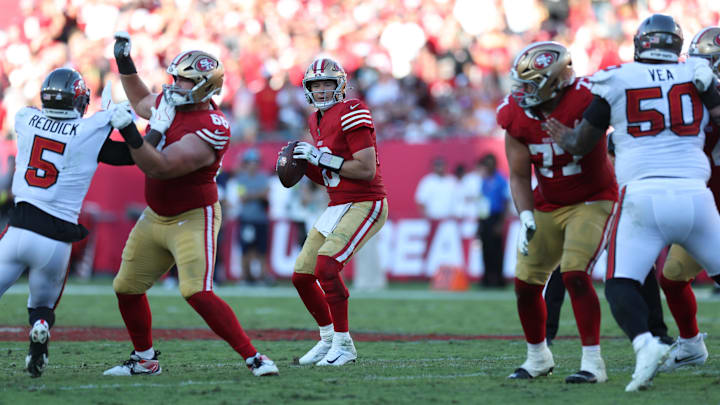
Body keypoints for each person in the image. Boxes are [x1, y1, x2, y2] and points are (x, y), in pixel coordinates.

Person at [543, 14, 720, 391]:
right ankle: (684, 344)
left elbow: (582, 143)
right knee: (674, 277)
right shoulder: (696, 73)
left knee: (621, 284)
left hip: (643, 197)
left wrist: (564, 135)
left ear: (641, 44)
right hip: (697, 195)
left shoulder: (617, 76)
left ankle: (646, 343)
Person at [102, 32, 278, 377]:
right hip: (156, 216)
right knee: (126, 287)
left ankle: (254, 357)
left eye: (184, 80)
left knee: (196, 291)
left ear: (203, 87)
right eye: (175, 77)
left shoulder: (212, 125)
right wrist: (124, 61)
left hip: (193, 217)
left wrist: (134, 134)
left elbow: (159, 166)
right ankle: (144, 359)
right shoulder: (170, 105)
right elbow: (139, 100)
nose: (175, 85)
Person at [0, 68, 136, 377]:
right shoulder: (91, 131)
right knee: (42, 306)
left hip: (17, 229)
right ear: (78, 100)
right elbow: (132, 155)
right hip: (54, 239)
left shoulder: (24, 118)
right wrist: (120, 123)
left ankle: (39, 340)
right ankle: (41, 328)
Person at [499, 41, 618, 384]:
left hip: (593, 199)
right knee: (525, 284)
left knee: (575, 273)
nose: (522, 92)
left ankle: (593, 362)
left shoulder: (588, 97)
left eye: (531, 83)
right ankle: (538, 357)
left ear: (555, 81)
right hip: (548, 201)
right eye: (519, 83)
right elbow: (519, 173)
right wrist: (525, 215)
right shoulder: (514, 113)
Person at [289, 57, 388, 366]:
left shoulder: (352, 110)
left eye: (326, 84)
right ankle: (328, 339)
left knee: (327, 268)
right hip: (337, 204)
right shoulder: (314, 120)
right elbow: (326, 178)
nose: (320, 91)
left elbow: (366, 169)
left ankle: (344, 344)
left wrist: (320, 157)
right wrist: (306, 166)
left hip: (365, 201)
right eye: (315, 85)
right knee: (302, 276)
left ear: (340, 86)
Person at [656, 26, 720, 373]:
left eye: (706, 63)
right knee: (672, 277)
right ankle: (692, 346)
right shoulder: (689, 98)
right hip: (706, 208)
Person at [226, 148, 273, 285]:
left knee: (261, 249)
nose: (253, 165)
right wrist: (258, 194)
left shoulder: (263, 176)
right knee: (246, 248)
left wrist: (251, 195)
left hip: (261, 219)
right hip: (247, 218)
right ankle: (245, 276)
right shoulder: (241, 178)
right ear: (246, 163)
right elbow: (242, 197)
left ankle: (262, 276)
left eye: (255, 162)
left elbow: (265, 194)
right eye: (250, 162)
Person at [477, 153, 509, 288]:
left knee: (497, 250)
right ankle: (486, 278)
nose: (488, 166)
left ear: (495, 164)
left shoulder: (501, 180)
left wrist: (501, 223)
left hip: (496, 217)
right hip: (485, 217)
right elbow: (481, 201)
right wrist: (479, 221)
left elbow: (505, 202)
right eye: (486, 163)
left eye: (491, 163)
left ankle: (499, 279)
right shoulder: (484, 180)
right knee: (485, 249)